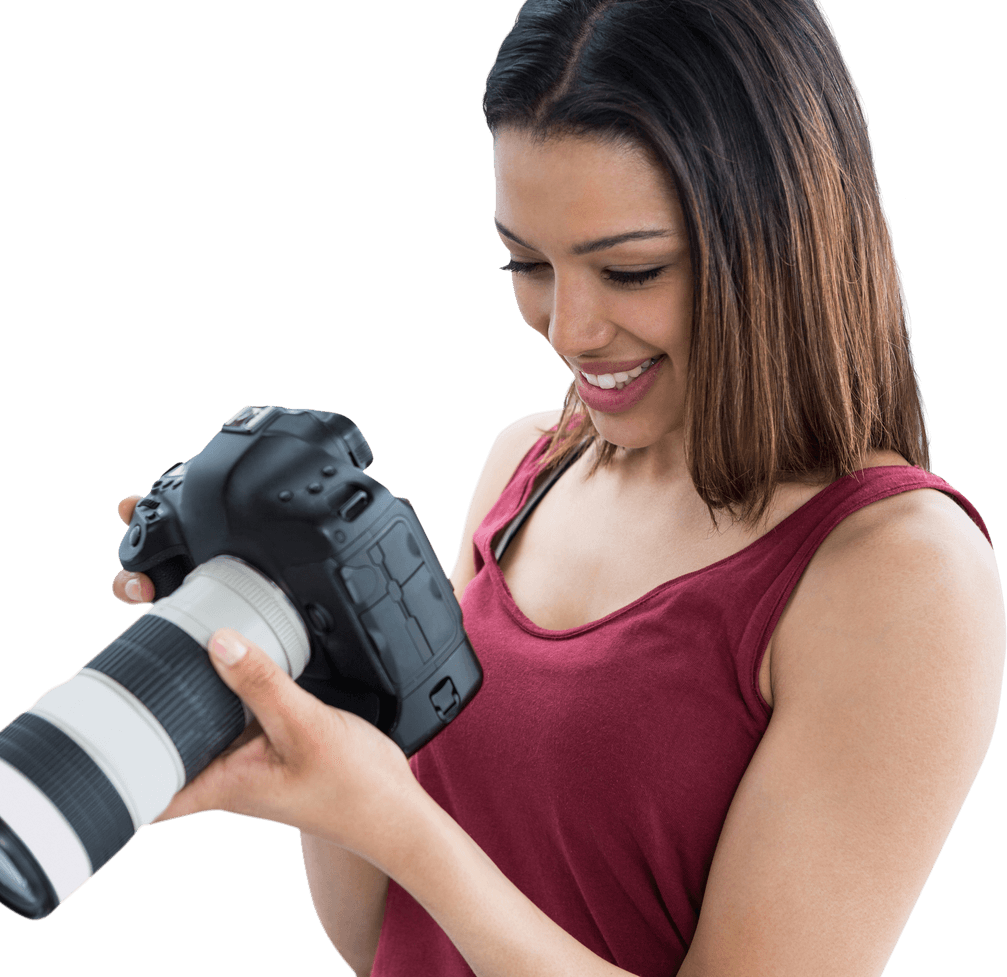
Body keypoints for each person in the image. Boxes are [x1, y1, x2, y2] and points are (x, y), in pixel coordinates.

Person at [112, 2, 1003, 975]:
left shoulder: (902, 572)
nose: (569, 329)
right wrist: (299, 663)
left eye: (631, 268)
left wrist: (403, 823)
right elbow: (383, 939)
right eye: (527, 262)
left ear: (782, 237)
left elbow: (418, 849)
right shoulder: (527, 465)